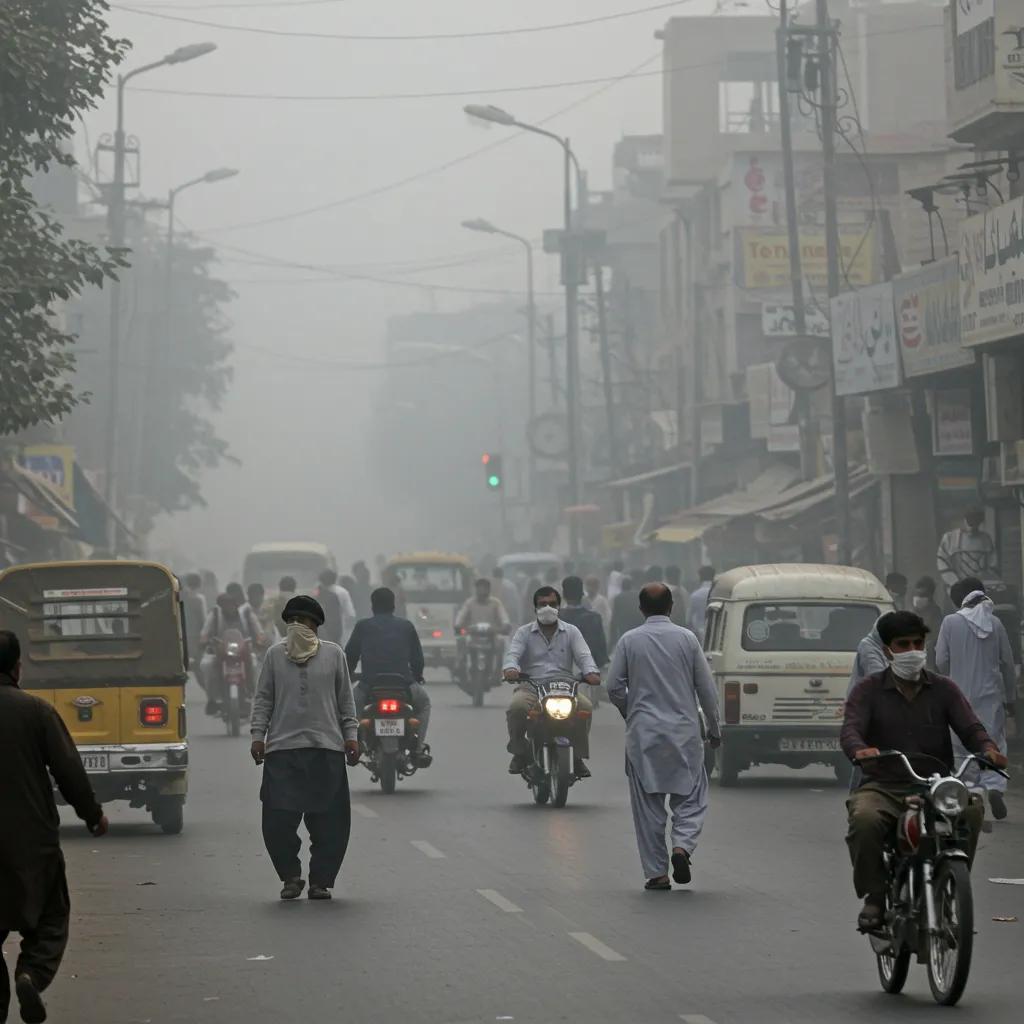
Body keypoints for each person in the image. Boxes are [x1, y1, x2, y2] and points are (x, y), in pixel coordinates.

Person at [840, 610, 1007, 931]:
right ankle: (874, 896)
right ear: (888, 650)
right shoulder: (869, 690)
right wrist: (859, 749)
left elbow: (970, 727)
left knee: (972, 810)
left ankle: (953, 883)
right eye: (903, 644)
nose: (913, 650)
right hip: (884, 784)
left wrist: (987, 749)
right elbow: (851, 729)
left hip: (936, 784)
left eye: (918, 642)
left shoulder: (944, 689)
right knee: (864, 820)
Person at [0, 630, 108, 1024]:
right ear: (17, 667)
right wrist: (93, 815)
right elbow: (69, 771)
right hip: (32, 841)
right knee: (50, 916)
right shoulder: (36, 712)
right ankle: (30, 973)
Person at [608, 585, 720, 890]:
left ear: (641, 609)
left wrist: (632, 713)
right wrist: (714, 728)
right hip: (684, 733)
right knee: (692, 797)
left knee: (648, 806)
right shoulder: (687, 639)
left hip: (644, 735)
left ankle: (657, 873)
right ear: (671, 606)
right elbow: (707, 692)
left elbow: (613, 687)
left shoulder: (629, 640)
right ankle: (682, 847)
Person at [250, 596, 359, 902]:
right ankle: (291, 876)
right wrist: (258, 736)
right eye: (293, 622)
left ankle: (320, 882)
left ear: (315, 626)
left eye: (304, 622)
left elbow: (345, 701)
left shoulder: (334, 655)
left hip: (326, 749)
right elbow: (263, 700)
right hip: (282, 751)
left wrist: (351, 736)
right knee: (276, 822)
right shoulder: (273, 656)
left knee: (331, 823)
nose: (298, 627)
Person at [936, 577, 1017, 820]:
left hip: (958, 696)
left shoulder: (950, 622)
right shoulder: (995, 623)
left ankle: (972, 792)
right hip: (990, 697)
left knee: (962, 747)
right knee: (993, 743)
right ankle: (994, 787)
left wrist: (952, 676)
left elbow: (940, 660)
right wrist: (1010, 697)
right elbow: (1008, 664)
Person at [503, 586, 600, 778]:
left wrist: (591, 672)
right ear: (535, 609)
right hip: (531, 687)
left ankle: (577, 757)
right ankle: (519, 752)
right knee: (517, 708)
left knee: (586, 707)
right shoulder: (523, 633)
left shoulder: (572, 632)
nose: (547, 608)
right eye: (542, 604)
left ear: (559, 607)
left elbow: (584, 655)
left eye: (552, 604)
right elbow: (512, 654)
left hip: (564, 687)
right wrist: (511, 669)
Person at [345, 588, 432, 766]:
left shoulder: (363, 626)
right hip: (404, 684)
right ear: (393, 606)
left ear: (372, 606)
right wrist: (418, 675)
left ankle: (357, 742)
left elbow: (350, 656)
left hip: (369, 684)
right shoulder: (406, 626)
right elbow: (417, 658)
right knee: (424, 704)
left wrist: (348, 675)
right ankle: (418, 749)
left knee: (351, 710)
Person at [199, 593, 264, 713]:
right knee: (208, 667)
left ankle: (249, 690)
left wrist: (259, 641)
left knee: (254, 665)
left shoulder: (246, 613)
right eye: (225, 605)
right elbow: (205, 631)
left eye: (231, 605)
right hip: (220, 650)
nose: (229, 608)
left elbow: (257, 629)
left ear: (236, 605)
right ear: (221, 606)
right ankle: (213, 699)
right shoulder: (215, 614)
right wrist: (204, 640)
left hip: (243, 649)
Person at [937, 504, 999, 597]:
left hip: (980, 590)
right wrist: (955, 582)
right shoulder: (950, 538)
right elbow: (942, 561)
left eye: (976, 521)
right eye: (970, 520)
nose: (972, 525)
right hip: (956, 591)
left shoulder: (985, 539)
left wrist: (985, 582)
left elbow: (992, 563)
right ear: (964, 519)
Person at [559, 576, 608, 670]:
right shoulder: (594, 618)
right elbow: (601, 655)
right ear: (582, 594)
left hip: (561, 673)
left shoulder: (556, 618)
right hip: (588, 672)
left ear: (564, 595)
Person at [316, 569, 357, 646]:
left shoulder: (318, 592)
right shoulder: (342, 591)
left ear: (321, 580)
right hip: (339, 629)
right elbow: (350, 613)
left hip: (322, 629)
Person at [911, 575, 943, 668]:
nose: (918, 598)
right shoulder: (911, 611)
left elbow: (936, 637)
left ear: (930, 596)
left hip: (928, 661)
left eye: (922, 595)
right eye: (916, 595)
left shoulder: (935, 613)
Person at [181, 572, 207, 672]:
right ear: (199, 584)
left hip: (182, 634)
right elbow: (202, 619)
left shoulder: (181, 597)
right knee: (198, 664)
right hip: (196, 636)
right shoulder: (199, 599)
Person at [241, 582, 276, 653]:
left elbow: (272, 630)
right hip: (248, 646)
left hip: (266, 646)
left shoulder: (267, 609)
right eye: (253, 595)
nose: (255, 598)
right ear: (248, 596)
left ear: (262, 595)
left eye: (257, 595)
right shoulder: (243, 610)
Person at [610, 576, 644, 646]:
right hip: (639, 628)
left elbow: (614, 618)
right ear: (632, 586)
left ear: (622, 587)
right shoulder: (639, 595)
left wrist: (612, 641)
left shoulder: (618, 598)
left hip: (624, 629)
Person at [687, 565, 716, 641]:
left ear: (700, 577)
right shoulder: (718, 593)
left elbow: (689, 620)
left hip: (700, 634)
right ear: (713, 576)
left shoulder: (695, 595)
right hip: (716, 633)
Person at [583, 574, 612, 639]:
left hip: (600, 630)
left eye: (592, 586)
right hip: (586, 631)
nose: (590, 588)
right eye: (588, 585)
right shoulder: (583, 600)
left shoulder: (602, 600)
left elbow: (608, 616)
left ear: (597, 587)